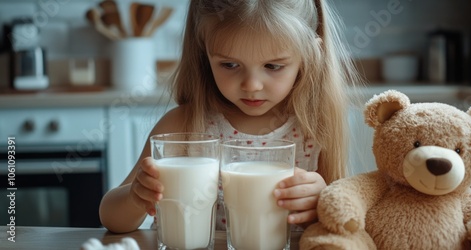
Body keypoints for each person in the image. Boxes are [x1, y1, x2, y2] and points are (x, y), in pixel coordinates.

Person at [99, 0, 361, 233]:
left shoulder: (313, 131)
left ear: (309, 56)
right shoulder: (184, 126)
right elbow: (112, 218)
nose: (252, 85)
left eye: (273, 66)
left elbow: (345, 224)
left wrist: (321, 203)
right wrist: (135, 198)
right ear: (205, 53)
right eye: (230, 65)